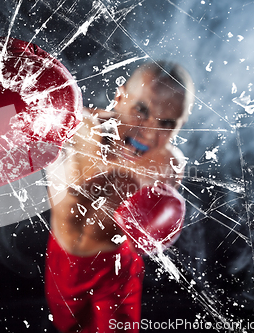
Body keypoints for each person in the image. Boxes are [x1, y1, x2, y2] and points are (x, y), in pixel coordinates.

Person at [44, 60, 195, 332]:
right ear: (119, 97)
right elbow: (62, 189)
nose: (150, 132)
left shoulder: (167, 165)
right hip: (62, 263)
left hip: (115, 271)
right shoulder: (78, 128)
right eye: (141, 110)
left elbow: (149, 236)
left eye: (168, 123)